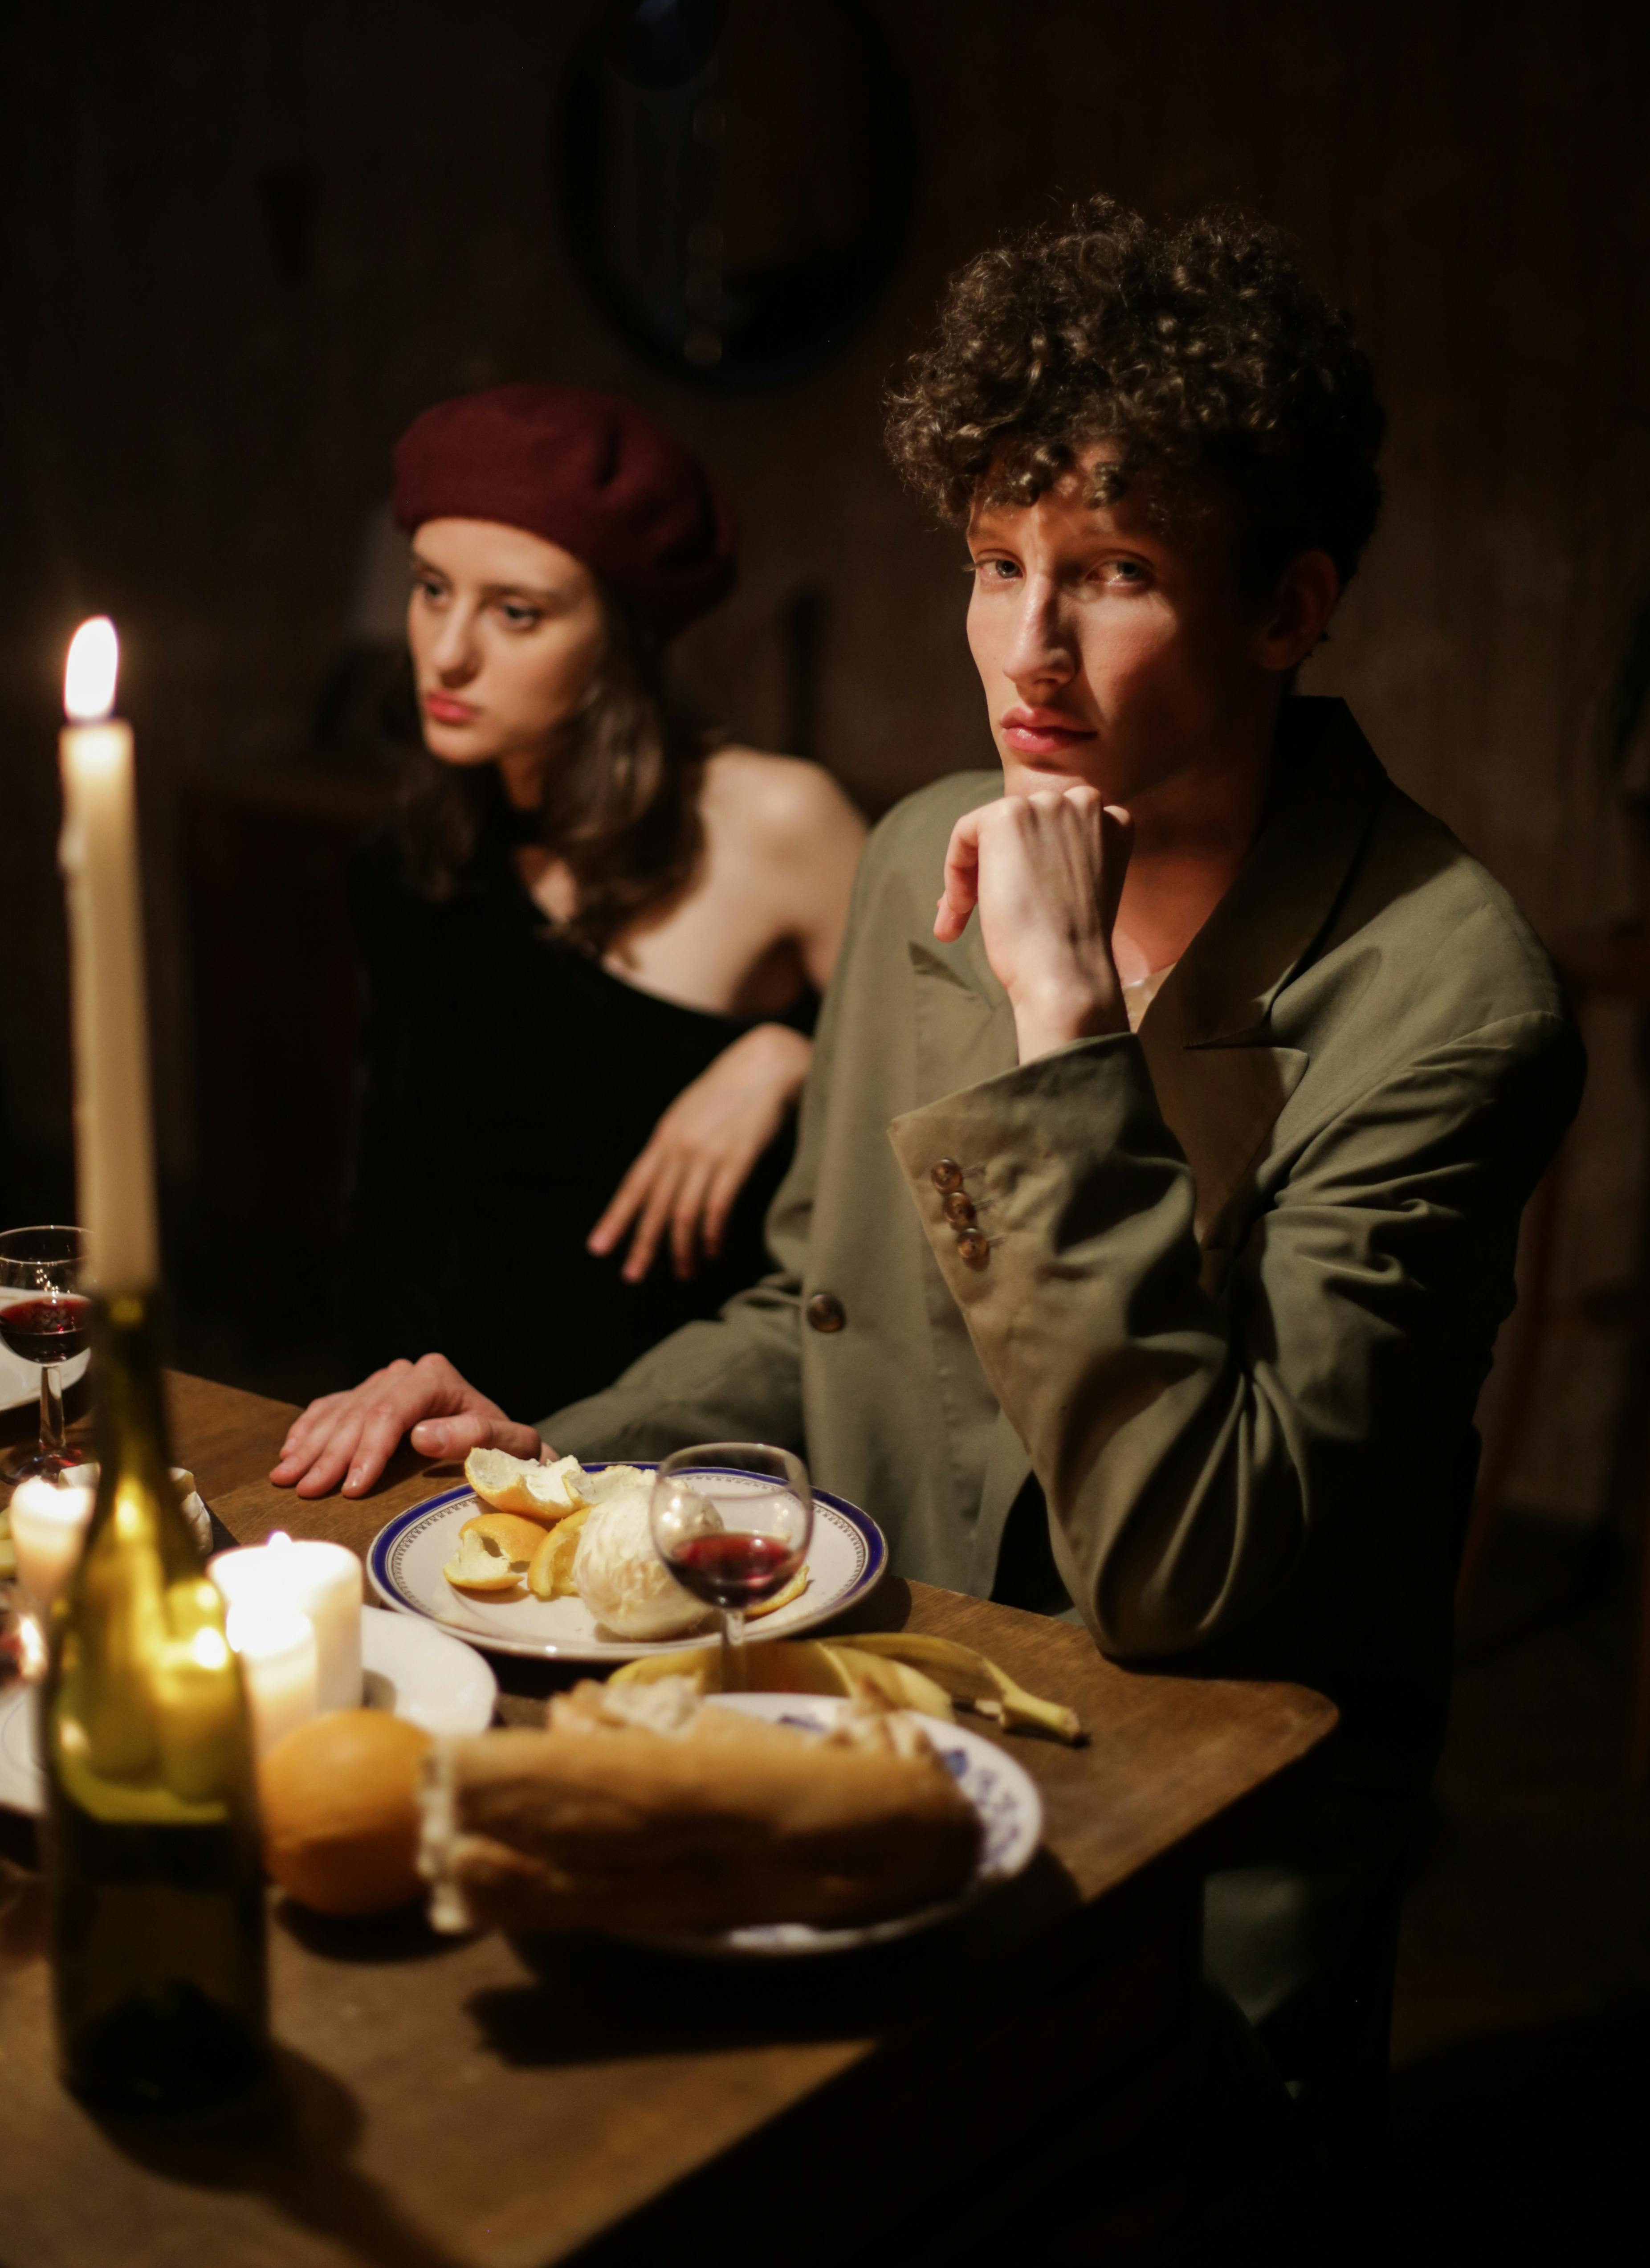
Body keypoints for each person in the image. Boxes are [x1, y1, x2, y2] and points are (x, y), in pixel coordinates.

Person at [274, 205, 1582, 2152]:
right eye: (992, 566)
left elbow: (1185, 1572)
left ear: (1288, 606)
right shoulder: (921, 856)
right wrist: (546, 1439)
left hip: (1190, 1853)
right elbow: (819, 1312)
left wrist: (1062, 1031)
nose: (1023, 649)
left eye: (1113, 574)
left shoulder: (1446, 998)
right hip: (849, 1744)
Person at [281, 384, 864, 1468]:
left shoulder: (781, 823)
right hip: (428, 1444)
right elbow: (395, 1218)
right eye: (429, 589)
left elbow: (934, 1131)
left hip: (678, 1462)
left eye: (516, 612)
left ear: (621, 638)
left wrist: (796, 1056)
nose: (445, 654)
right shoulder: (411, 852)